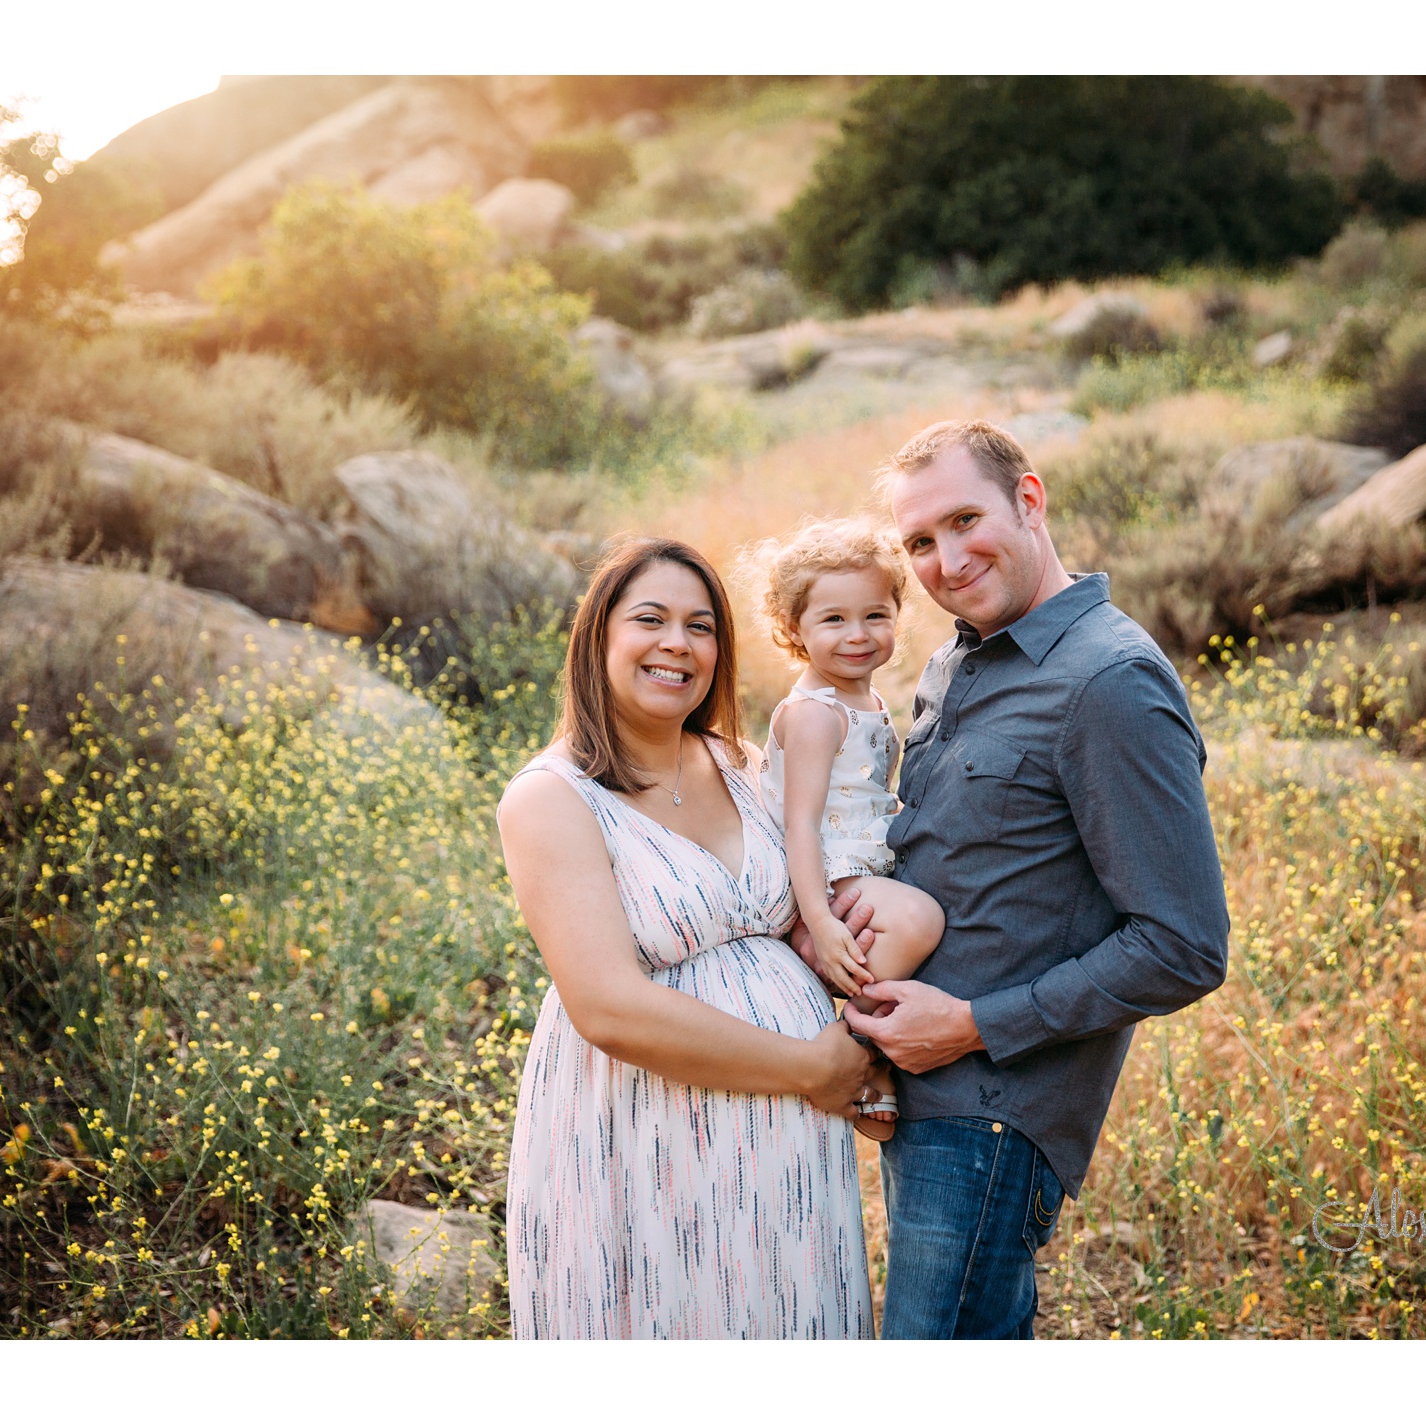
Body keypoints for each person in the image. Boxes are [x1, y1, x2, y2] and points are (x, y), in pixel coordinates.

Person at [795, 419, 1230, 1340]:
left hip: (994, 1117)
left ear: (1029, 501)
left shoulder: (1110, 683)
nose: (946, 561)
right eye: (919, 541)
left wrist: (967, 1025)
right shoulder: (960, 656)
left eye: (964, 520)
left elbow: (1184, 946)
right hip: (923, 1095)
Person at [496, 537, 876, 1339]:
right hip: (645, 1139)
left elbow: (825, 897)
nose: (679, 642)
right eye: (651, 619)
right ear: (598, 637)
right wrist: (813, 1065)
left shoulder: (742, 761)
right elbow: (607, 1007)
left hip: (789, 1149)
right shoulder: (550, 797)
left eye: (701, 626)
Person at [739, 518, 947, 1141]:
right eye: (833, 620)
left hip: (857, 869)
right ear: (793, 629)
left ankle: (871, 1044)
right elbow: (799, 825)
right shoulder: (814, 715)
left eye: (875, 616)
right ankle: (861, 1048)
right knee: (920, 921)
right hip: (823, 881)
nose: (857, 635)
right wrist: (823, 925)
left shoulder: (866, 699)